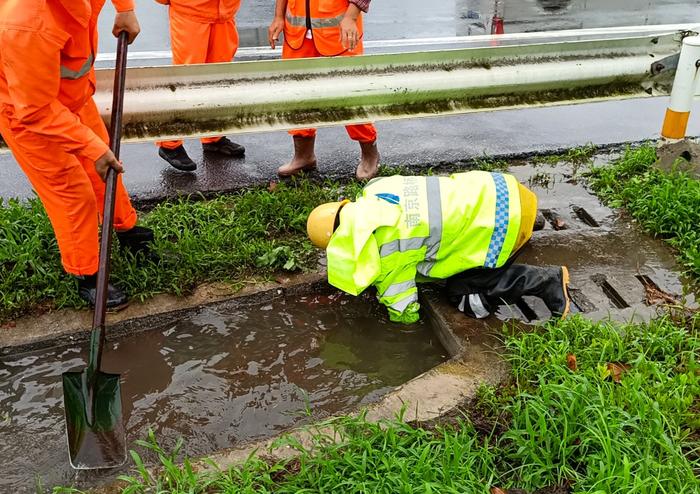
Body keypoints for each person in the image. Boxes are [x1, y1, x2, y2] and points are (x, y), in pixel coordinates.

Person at [0, 0, 154, 308]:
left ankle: (126, 230)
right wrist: (90, 146)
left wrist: (125, 8)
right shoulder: (25, 22)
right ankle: (87, 274)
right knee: (73, 191)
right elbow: (36, 110)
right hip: (28, 115)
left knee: (108, 170)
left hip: (75, 98)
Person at [306, 171, 571, 323]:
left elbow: (404, 310)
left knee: (464, 297)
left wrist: (401, 330)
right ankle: (530, 223)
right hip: (503, 190)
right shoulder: (376, 188)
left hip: (502, 225)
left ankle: (546, 281)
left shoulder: (385, 250)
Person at [268, 0, 380, 180]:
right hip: (297, 34)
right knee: (298, 96)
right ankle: (303, 156)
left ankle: (369, 153)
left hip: (338, 32)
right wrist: (279, 16)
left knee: (349, 97)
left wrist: (351, 17)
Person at [155, 0, 246, 171]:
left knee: (218, 81)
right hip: (191, 12)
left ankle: (213, 137)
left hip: (224, 13)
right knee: (186, 82)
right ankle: (169, 144)